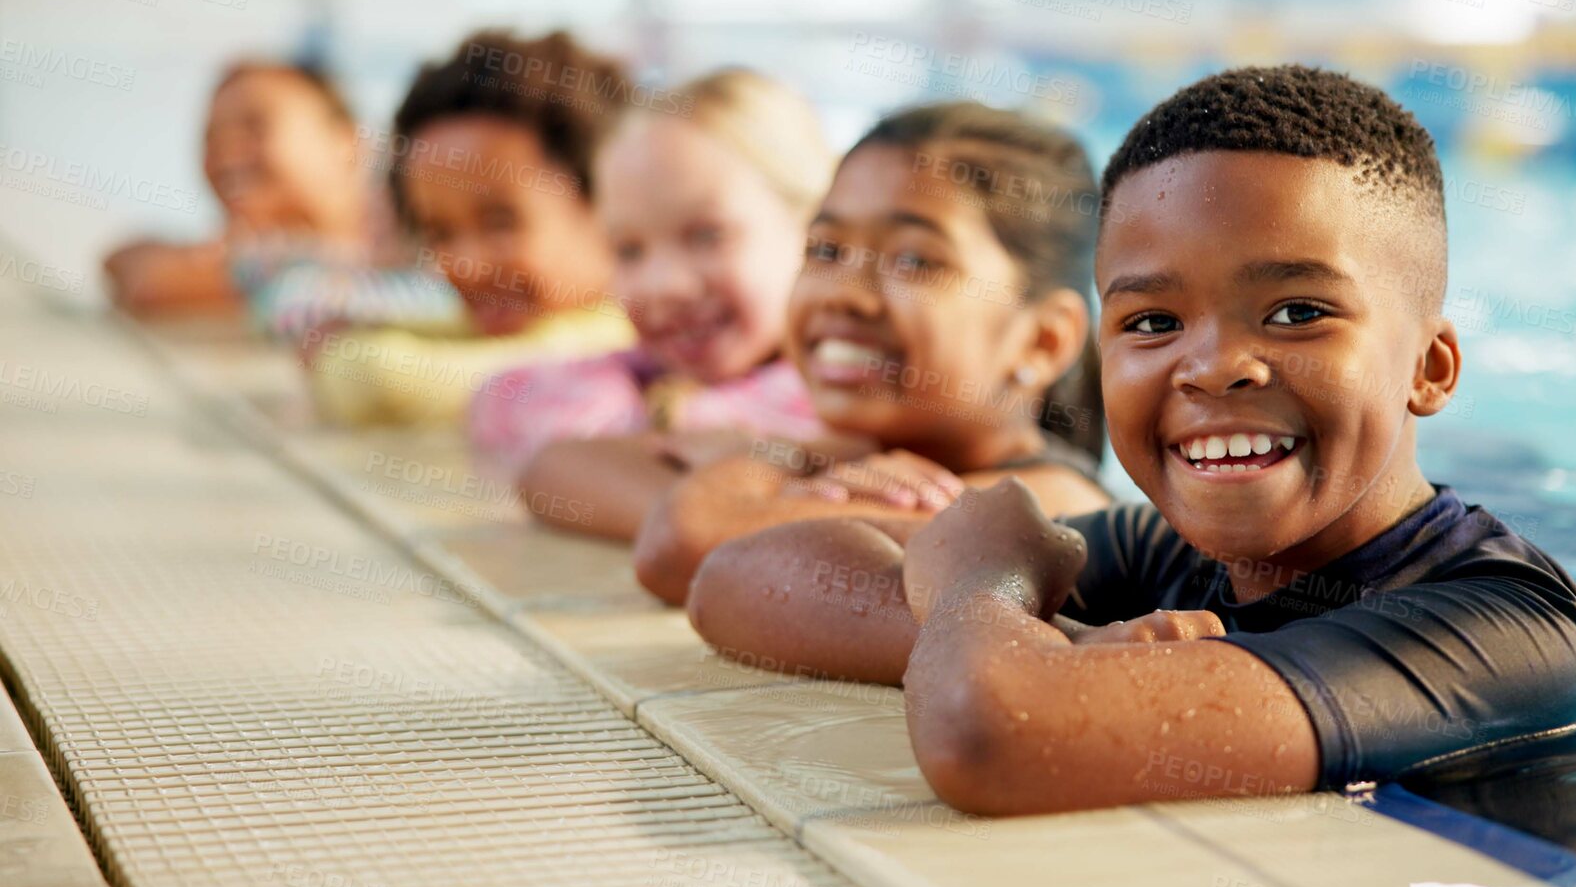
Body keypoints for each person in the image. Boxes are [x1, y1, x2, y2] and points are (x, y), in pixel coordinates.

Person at [685, 66, 1576, 815]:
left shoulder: (1504, 629)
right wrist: (1063, 642)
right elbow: (735, 580)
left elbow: (993, 735)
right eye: (1152, 320)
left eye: (1296, 312)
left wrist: (983, 593)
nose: (1212, 368)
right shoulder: (1168, 557)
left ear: (1430, 367)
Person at [631, 101, 1114, 606]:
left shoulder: (1046, 508)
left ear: (1043, 341)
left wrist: (773, 463)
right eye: (825, 250)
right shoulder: (862, 465)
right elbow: (559, 463)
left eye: (913, 260)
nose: (844, 293)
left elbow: (682, 540)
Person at [477, 70, 834, 535]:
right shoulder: (648, 375)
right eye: (628, 250)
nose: (664, 283)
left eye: (707, 235)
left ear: (815, 232)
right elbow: (496, 398)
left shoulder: (841, 391)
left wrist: (659, 423)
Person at [304, 30, 636, 426]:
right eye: (439, 233)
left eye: (500, 223)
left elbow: (378, 383)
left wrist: (334, 351)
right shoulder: (529, 327)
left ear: (608, 201)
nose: (465, 264)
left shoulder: (621, 345)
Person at [102, 62, 373, 314]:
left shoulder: (400, 254)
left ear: (345, 141)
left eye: (254, 126)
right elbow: (135, 274)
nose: (227, 153)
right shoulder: (227, 259)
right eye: (212, 137)